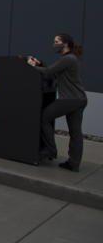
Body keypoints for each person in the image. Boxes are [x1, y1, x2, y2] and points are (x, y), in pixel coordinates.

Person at [27, 34, 87, 172]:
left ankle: (50, 149)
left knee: (44, 117)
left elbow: (48, 71)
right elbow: (53, 73)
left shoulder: (68, 59)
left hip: (70, 99)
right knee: (75, 132)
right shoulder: (72, 58)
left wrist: (31, 66)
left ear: (65, 44)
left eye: (57, 41)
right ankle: (73, 163)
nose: (54, 44)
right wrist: (39, 64)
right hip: (79, 99)